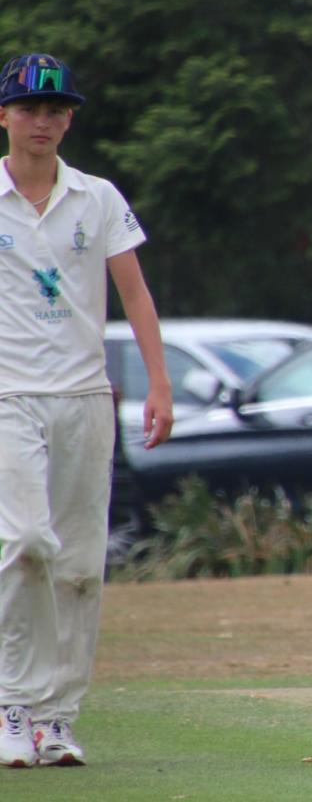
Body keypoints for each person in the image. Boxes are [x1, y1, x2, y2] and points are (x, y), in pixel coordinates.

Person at [0, 53, 173, 767]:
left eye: (56, 110)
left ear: (69, 119)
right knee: (25, 543)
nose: (42, 122)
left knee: (77, 566)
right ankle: (13, 702)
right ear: (4, 115)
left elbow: (134, 292)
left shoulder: (97, 198)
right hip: (9, 395)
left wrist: (159, 384)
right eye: (29, 109)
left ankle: (57, 718)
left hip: (84, 397)